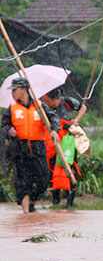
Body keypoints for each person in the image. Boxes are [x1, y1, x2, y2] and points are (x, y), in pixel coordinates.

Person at [0, 77, 60, 213]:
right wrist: (9, 130)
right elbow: (3, 126)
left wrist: (55, 131)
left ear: (23, 90)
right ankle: (26, 214)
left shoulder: (39, 106)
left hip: (38, 148)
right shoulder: (12, 109)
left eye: (15, 90)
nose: (12, 93)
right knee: (22, 182)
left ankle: (31, 202)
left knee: (44, 179)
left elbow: (53, 117)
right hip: (19, 149)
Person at [41, 87, 86, 207]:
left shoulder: (67, 101)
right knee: (52, 166)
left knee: (69, 166)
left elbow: (83, 107)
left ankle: (70, 199)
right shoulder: (45, 107)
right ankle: (55, 199)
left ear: (56, 99)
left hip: (68, 139)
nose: (46, 103)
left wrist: (76, 119)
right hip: (53, 139)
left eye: (48, 101)